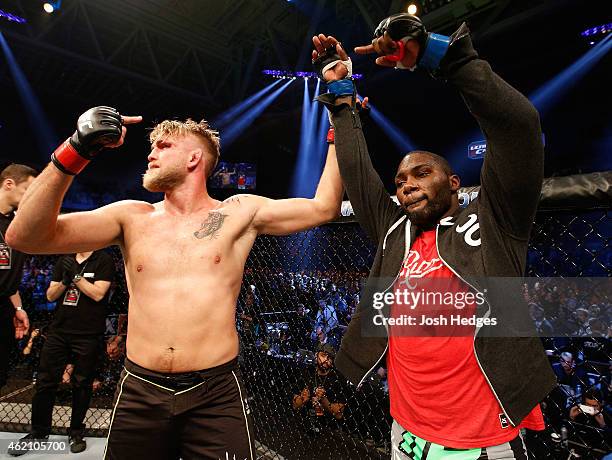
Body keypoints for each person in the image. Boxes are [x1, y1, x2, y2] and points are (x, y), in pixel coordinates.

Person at [6, 105, 344, 459]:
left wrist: (337, 123)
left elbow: (323, 207)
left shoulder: (239, 211)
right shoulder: (131, 217)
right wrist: (76, 149)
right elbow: (25, 237)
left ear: (194, 158)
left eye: (164, 146)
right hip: (140, 389)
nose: (151, 153)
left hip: (215, 392)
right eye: (153, 146)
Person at [311, 13, 556, 458]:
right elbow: (358, 174)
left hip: (483, 437)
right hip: (406, 432)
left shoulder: (494, 219)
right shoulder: (395, 231)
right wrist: (341, 94)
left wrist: (440, 54)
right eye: (401, 178)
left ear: (455, 184)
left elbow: (519, 128)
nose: (406, 183)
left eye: (422, 173)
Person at [13, 250, 115, 455]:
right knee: (45, 382)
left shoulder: (103, 260)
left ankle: (76, 432)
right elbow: (51, 295)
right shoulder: (65, 260)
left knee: (82, 383)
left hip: (87, 333)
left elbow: (98, 294)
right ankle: (39, 432)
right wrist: (64, 280)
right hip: (59, 330)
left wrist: (76, 278)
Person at [0, 164, 37, 392]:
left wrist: (18, 307)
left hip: (4, 307)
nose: (30, 198)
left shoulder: (17, 225)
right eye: (27, 190)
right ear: (8, 184)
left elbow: (7, 274)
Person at [292, 343, 346, 436]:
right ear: (316, 355)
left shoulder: (338, 378)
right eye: (323, 355)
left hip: (328, 429)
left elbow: (339, 414)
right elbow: (295, 405)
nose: (326, 360)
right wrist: (302, 399)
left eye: (330, 358)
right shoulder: (307, 372)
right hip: (306, 422)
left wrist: (324, 400)